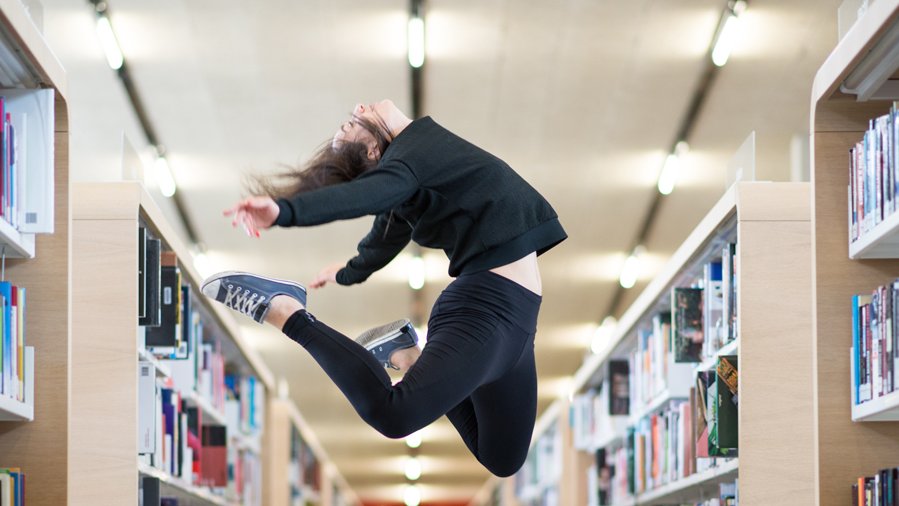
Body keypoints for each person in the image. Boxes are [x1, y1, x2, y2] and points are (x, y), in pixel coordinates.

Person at [202, 99, 567, 477]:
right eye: (353, 123)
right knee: (394, 415)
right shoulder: (412, 155)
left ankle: (407, 357)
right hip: (483, 311)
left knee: (502, 458)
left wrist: (347, 271)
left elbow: (386, 234)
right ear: (376, 149)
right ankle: (287, 312)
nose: (360, 108)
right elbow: (364, 197)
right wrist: (285, 211)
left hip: (518, 317)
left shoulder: (422, 160)